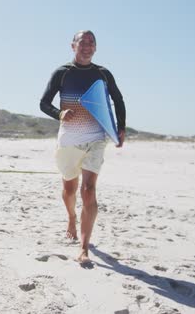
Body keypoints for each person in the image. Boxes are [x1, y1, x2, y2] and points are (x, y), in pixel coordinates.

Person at [39, 30, 126, 263]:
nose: (87, 46)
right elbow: (43, 103)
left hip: (97, 138)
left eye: (91, 43)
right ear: (73, 46)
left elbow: (117, 100)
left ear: (95, 48)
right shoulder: (62, 73)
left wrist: (121, 127)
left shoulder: (103, 74)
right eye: (82, 42)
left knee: (88, 189)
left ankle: (84, 248)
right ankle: (70, 217)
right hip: (69, 140)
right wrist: (59, 113)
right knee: (69, 189)